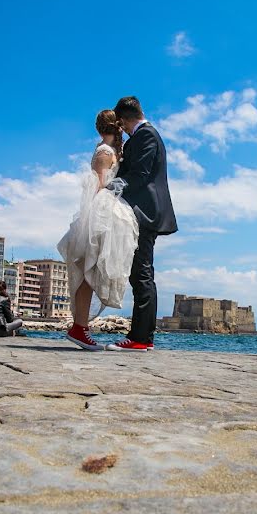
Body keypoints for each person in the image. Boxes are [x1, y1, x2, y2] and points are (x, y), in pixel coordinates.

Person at [57, 110, 139, 351]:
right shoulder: (105, 152)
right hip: (102, 212)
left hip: (105, 212)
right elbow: (99, 184)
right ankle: (79, 328)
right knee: (91, 270)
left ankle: (80, 327)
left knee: (93, 270)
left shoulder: (108, 150)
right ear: (118, 127)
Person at [106, 96, 178, 352]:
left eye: (122, 124)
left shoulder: (146, 135)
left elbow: (140, 174)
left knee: (142, 274)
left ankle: (139, 338)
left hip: (145, 213)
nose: (122, 129)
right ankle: (143, 338)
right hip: (145, 212)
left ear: (125, 119)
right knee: (142, 273)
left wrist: (110, 188)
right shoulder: (147, 135)